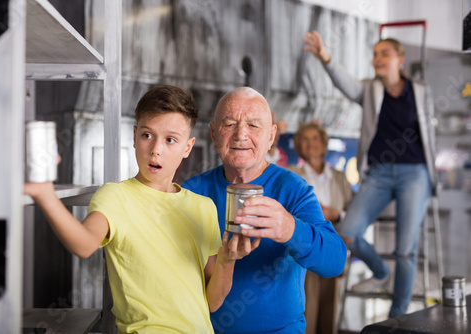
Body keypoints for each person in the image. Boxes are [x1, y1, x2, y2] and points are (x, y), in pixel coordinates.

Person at [24, 85, 260, 333]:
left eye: (170, 140)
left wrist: (227, 259)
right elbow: (83, 244)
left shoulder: (203, 207)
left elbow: (212, 303)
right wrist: (44, 193)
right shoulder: (116, 196)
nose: (156, 149)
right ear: (135, 136)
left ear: (187, 147)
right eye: (148, 135)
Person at [182, 87, 347, 333]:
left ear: (271, 136)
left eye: (254, 125)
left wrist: (290, 228)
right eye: (229, 124)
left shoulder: (293, 188)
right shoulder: (191, 192)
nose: (240, 135)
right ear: (214, 133)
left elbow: (335, 261)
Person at [303, 31, 437, 318]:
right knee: (348, 232)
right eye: (375, 54)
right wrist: (325, 58)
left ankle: (398, 315)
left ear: (400, 60)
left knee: (405, 250)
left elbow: (430, 135)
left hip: (415, 173)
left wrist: (433, 173)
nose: (377, 59)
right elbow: (346, 84)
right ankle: (380, 271)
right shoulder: (370, 90)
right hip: (378, 172)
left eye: (384, 54)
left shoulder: (421, 90)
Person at [287, 121, 354, 334]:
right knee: (306, 311)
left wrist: (337, 216)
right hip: (303, 250)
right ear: (298, 146)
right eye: (304, 139)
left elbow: (353, 212)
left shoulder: (340, 178)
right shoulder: (292, 174)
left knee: (329, 312)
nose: (311, 143)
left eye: (315, 138)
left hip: (334, 247)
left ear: (324, 144)